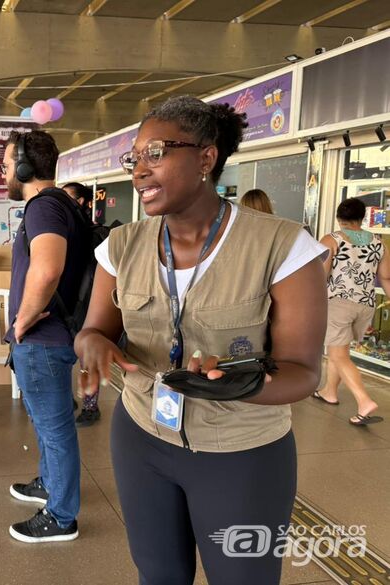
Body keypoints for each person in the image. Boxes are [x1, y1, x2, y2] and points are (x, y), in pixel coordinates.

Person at [75, 95, 327, 584]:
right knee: (158, 574)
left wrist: (238, 383)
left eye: (156, 153)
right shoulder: (121, 246)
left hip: (242, 452)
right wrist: (92, 347)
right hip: (142, 438)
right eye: (135, 158)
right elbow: (93, 330)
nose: (139, 171)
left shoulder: (283, 246)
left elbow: (303, 371)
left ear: (206, 158)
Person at [2, 130, 91, 543]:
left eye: (5, 165)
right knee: (45, 424)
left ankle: (60, 516)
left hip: (42, 340)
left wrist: (21, 323)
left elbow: (48, 268)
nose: (3, 172)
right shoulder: (60, 206)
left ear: (23, 166)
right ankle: (50, 483)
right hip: (50, 339)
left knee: (55, 429)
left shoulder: (42, 208)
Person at [315, 197, 390, 425]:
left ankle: (364, 401)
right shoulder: (379, 243)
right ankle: (329, 391)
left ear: (339, 218)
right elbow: (385, 276)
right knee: (342, 350)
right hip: (365, 304)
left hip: (339, 303)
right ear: (363, 217)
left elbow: (321, 275)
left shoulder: (332, 239)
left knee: (338, 354)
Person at [63, 181, 101, 427]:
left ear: (81, 203)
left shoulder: (96, 234)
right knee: (64, 358)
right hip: (67, 306)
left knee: (88, 361)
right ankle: (70, 400)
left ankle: (90, 406)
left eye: (66, 197)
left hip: (89, 307)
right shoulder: (63, 231)